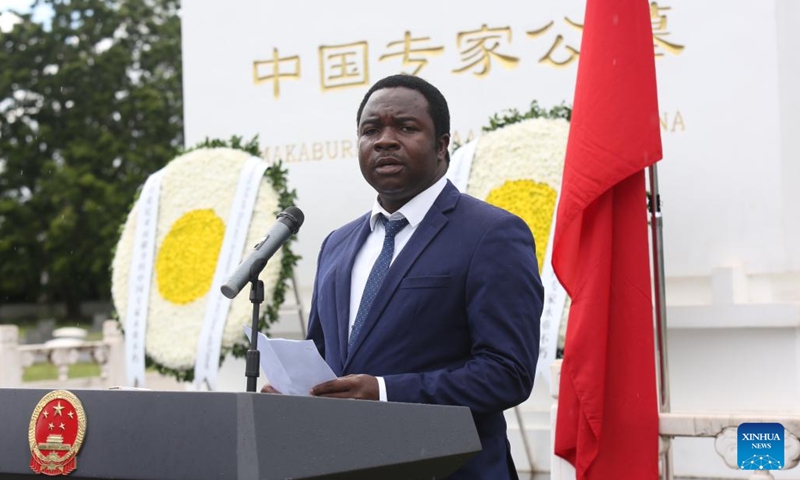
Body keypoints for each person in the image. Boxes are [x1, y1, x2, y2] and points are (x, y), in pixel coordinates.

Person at [264, 74, 543, 479]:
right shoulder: (337, 245)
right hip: (345, 466)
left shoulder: (492, 234)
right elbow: (329, 366)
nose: (385, 140)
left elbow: (507, 373)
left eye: (407, 128)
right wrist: (300, 395)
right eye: (370, 130)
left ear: (442, 145)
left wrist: (383, 392)